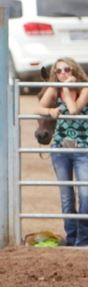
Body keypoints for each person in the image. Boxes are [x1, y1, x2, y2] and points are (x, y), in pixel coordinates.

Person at [35, 58, 88, 247]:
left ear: (74, 71)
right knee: (66, 195)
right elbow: (38, 107)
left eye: (66, 70)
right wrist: (49, 111)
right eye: (58, 71)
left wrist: (65, 90)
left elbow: (74, 110)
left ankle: (83, 239)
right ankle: (72, 237)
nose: (62, 73)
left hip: (83, 148)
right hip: (61, 148)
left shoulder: (84, 89)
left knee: (85, 195)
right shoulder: (53, 89)